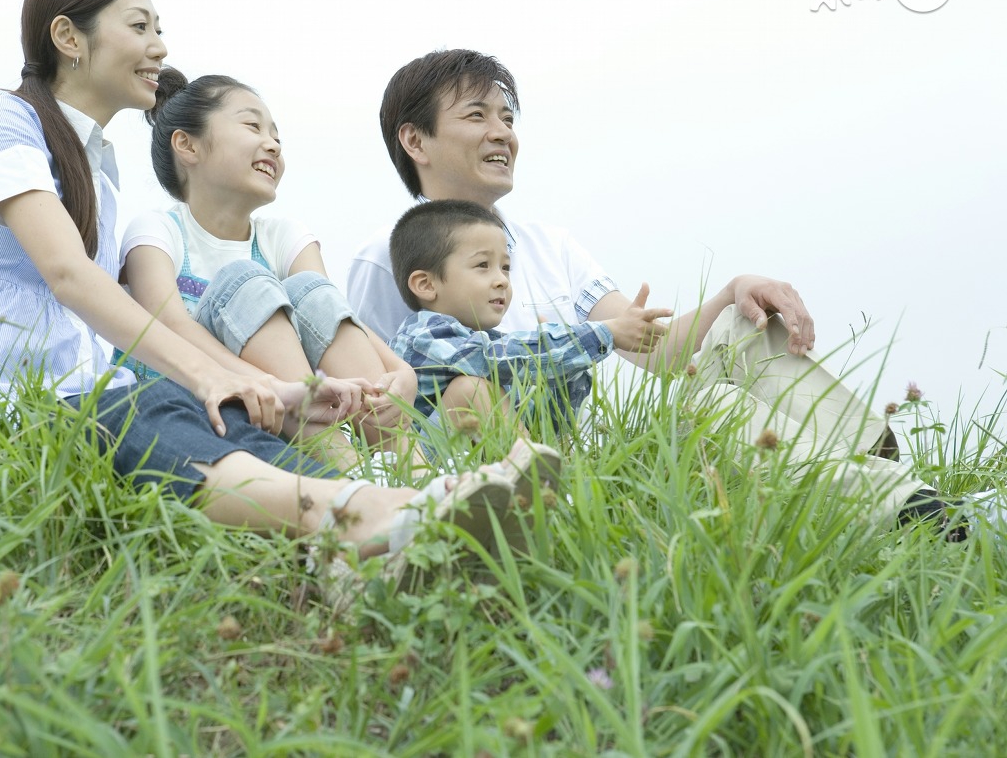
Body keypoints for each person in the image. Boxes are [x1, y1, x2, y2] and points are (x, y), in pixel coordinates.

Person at [0, 0, 553, 593]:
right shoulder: (2, 119)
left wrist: (265, 391)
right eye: (140, 26)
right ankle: (384, 509)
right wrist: (218, 373)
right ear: (68, 36)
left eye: (160, 29)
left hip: (76, 391)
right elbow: (67, 275)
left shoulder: (99, 170)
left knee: (221, 425)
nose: (159, 46)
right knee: (143, 410)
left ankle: (370, 547)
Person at [347, 48, 963, 536]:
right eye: (477, 116)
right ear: (415, 140)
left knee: (742, 327)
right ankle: (904, 512)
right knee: (710, 408)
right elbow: (382, 416)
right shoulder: (386, 259)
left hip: (592, 448)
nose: (502, 133)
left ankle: (904, 489)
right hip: (532, 470)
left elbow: (656, 352)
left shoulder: (551, 244)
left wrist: (730, 292)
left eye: (507, 116)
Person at [114, 71, 421, 472]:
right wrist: (274, 387)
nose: (273, 144)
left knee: (309, 287)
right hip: (191, 397)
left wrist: (401, 372)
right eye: (252, 126)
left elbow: (333, 313)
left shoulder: (283, 235)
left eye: (277, 135)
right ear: (187, 145)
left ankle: (413, 470)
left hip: (284, 405)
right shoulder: (157, 230)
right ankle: (349, 471)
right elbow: (167, 325)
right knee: (247, 283)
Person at [387, 200, 670, 441]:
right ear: (426, 284)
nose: (501, 280)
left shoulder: (486, 346)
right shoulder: (424, 336)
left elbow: (546, 425)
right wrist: (603, 333)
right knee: (471, 390)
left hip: (474, 479)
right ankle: (542, 483)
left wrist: (563, 373)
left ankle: (542, 483)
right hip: (422, 471)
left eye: (506, 267)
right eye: (482, 265)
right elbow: (496, 359)